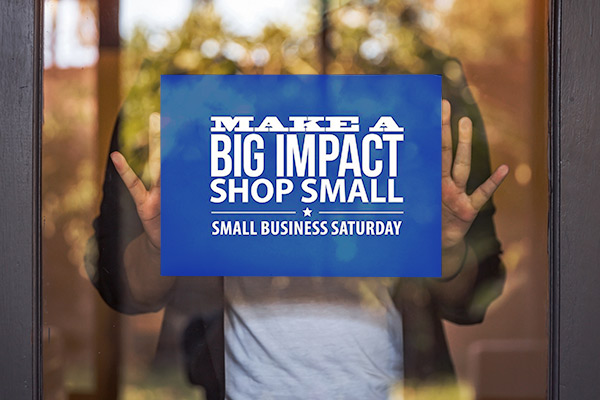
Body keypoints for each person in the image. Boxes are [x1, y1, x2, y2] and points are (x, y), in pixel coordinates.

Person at [86, 46, 508, 399]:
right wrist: (160, 246)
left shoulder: (414, 92)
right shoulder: (190, 91)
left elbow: (471, 296)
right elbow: (125, 290)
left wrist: (445, 246)